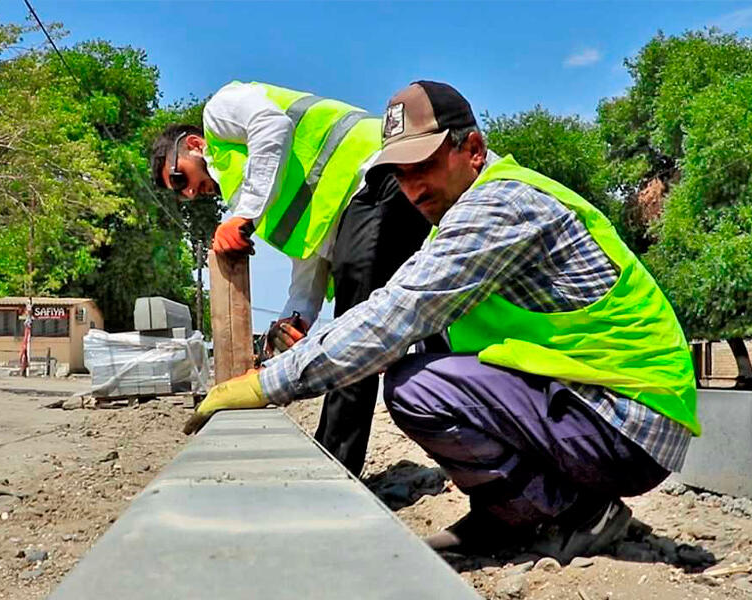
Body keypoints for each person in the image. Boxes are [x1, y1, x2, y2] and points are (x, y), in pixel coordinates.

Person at [186, 81, 699, 562]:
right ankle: (514, 510)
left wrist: (263, 385)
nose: (412, 187)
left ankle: (576, 511)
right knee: (432, 355)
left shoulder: (497, 207)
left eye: (424, 165)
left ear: (472, 149)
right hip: (606, 408)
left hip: (628, 424)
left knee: (418, 386)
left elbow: (392, 318)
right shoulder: (458, 215)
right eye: (400, 174)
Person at [152, 81, 430, 476]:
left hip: (375, 172)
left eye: (180, 178)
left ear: (195, 145)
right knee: (362, 326)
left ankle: (334, 469)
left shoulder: (219, 113)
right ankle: (334, 458)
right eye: (180, 194)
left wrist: (244, 215)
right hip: (362, 201)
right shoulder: (252, 186)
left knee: (355, 333)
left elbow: (273, 126)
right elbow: (311, 250)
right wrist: (296, 316)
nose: (190, 193)